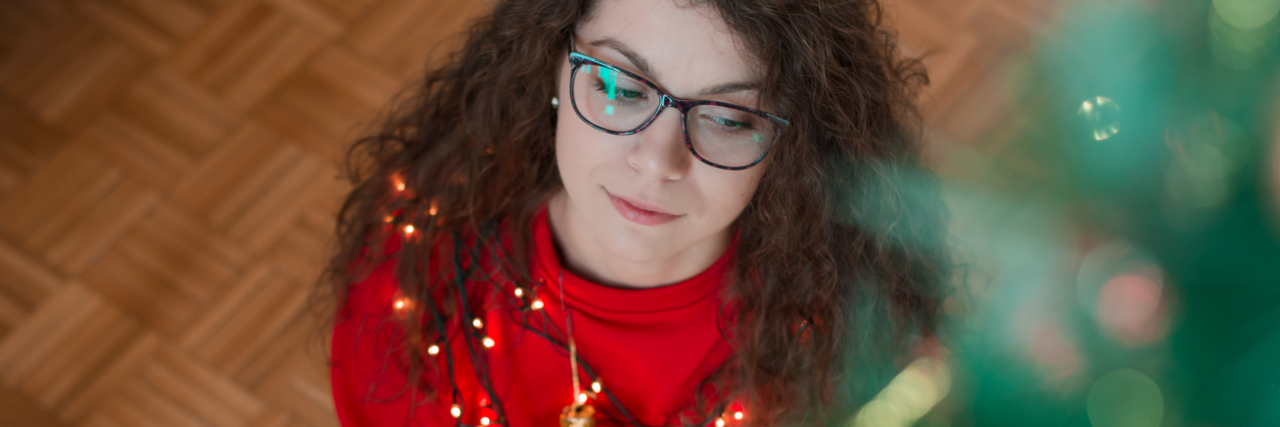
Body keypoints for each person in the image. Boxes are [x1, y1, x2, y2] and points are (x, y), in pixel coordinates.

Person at [321, 0, 952, 426]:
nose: (658, 162)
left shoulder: (850, 325)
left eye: (729, 119)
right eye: (621, 89)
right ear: (551, 66)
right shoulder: (420, 268)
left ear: (795, 146)